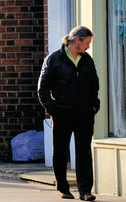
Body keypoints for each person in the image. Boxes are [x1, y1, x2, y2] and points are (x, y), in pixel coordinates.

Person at [38, 26, 99, 201]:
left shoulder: (87, 60)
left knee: (84, 153)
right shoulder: (54, 59)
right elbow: (43, 88)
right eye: (87, 43)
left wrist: (94, 106)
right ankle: (63, 189)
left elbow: (94, 85)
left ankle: (85, 191)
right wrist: (52, 109)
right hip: (62, 113)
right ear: (77, 40)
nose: (88, 46)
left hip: (84, 114)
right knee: (60, 151)